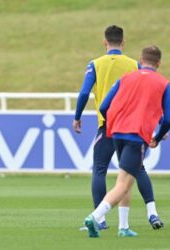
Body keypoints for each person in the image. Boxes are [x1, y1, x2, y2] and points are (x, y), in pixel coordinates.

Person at [73, 25, 163, 236]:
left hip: (108, 125)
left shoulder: (95, 64)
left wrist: (77, 117)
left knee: (99, 170)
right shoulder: (135, 65)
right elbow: (148, 94)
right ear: (123, 43)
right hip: (133, 126)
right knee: (136, 169)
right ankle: (150, 213)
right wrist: (158, 124)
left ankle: (100, 220)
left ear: (105, 42)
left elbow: (85, 92)